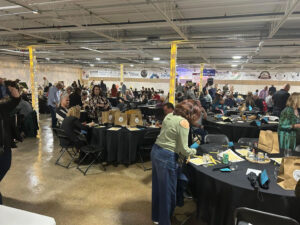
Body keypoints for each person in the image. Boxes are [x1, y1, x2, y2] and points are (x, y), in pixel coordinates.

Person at [151, 99, 201, 225]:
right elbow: (183, 150)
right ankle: (165, 222)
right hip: (167, 157)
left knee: (158, 189)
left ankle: (157, 218)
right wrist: (195, 151)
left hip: (156, 152)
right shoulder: (183, 122)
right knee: (168, 194)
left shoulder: (170, 115)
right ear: (191, 113)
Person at [0, 84, 20, 204]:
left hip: (4, 146)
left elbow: (16, 100)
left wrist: (12, 89)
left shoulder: (2, 107)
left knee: (6, 166)